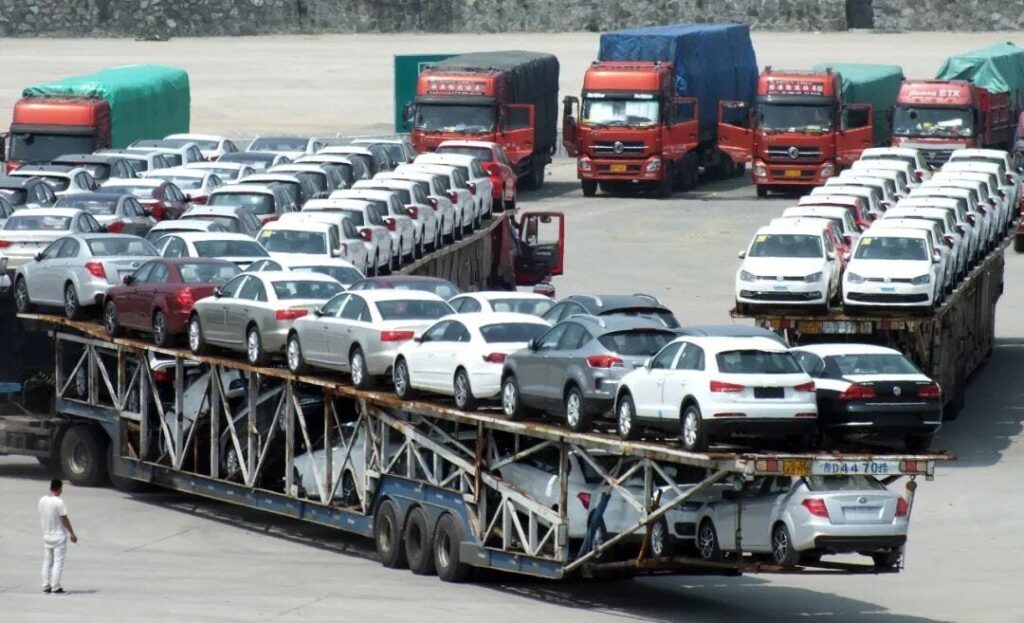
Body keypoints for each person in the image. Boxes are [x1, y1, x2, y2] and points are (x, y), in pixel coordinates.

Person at [39, 478, 77, 594]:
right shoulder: (59, 502)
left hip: (47, 535)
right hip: (58, 536)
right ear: (59, 488)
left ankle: (45, 585)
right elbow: (64, 518)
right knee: (58, 562)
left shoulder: (42, 500)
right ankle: (56, 586)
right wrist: (72, 533)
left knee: (47, 562)